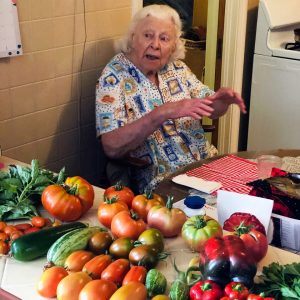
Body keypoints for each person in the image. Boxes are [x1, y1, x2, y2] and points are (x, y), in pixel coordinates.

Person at [95, 4, 246, 193]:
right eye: (148, 35)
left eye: (164, 38)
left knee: (257, 190)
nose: (155, 44)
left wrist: (222, 101)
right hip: (164, 182)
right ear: (133, 37)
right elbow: (111, 146)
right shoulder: (114, 76)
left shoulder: (177, 69)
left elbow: (210, 107)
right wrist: (164, 112)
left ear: (174, 45)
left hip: (204, 166)